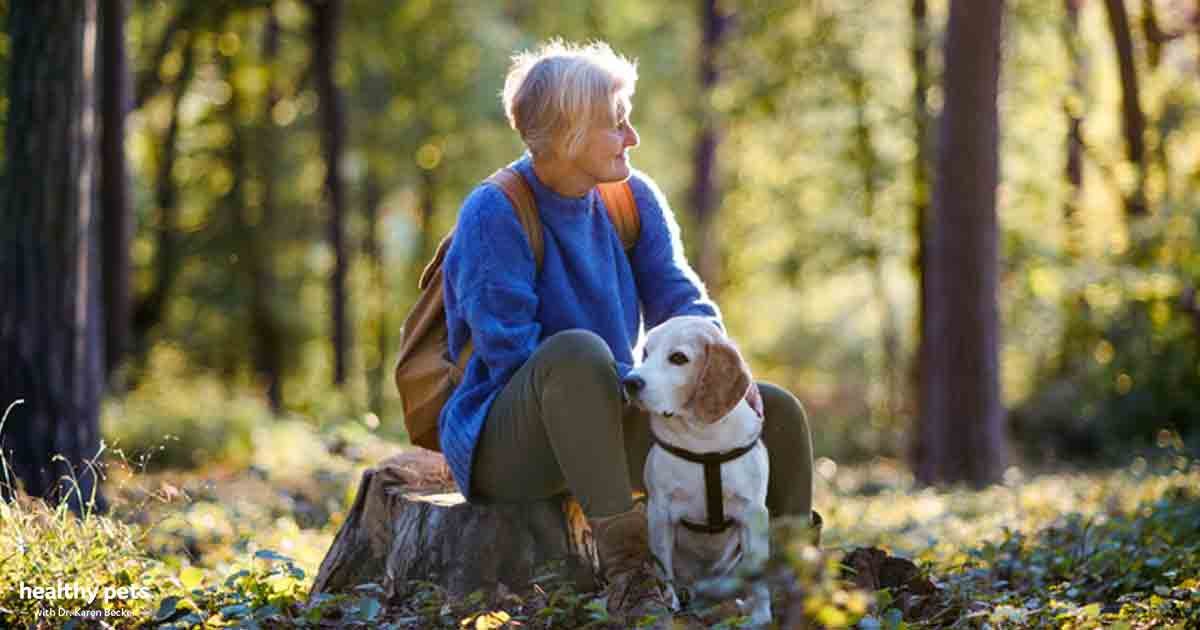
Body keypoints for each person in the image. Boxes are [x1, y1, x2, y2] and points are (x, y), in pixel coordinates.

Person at [439, 39, 817, 623]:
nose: (633, 138)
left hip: (616, 410)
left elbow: (682, 298)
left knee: (778, 411)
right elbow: (510, 352)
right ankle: (633, 578)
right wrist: (633, 382)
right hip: (513, 439)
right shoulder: (496, 211)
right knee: (577, 355)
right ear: (568, 133)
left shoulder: (631, 198)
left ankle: (789, 586)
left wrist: (722, 369)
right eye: (617, 124)